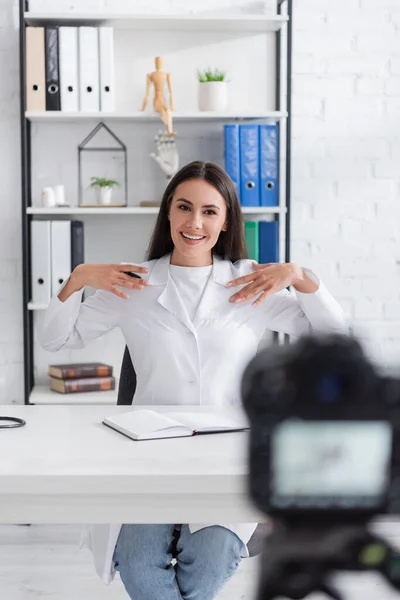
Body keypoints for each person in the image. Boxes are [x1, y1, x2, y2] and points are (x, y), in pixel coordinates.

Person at [38, 161, 348, 600]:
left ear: (225, 223)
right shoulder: (134, 283)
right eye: (184, 207)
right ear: (168, 213)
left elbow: (334, 337)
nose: (194, 222)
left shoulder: (249, 284)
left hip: (226, 460)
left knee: (211, 561)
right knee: (142, 567)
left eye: (209, 212)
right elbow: (56, 340)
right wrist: (79, 279)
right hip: (146, 457)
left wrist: (300, 277)